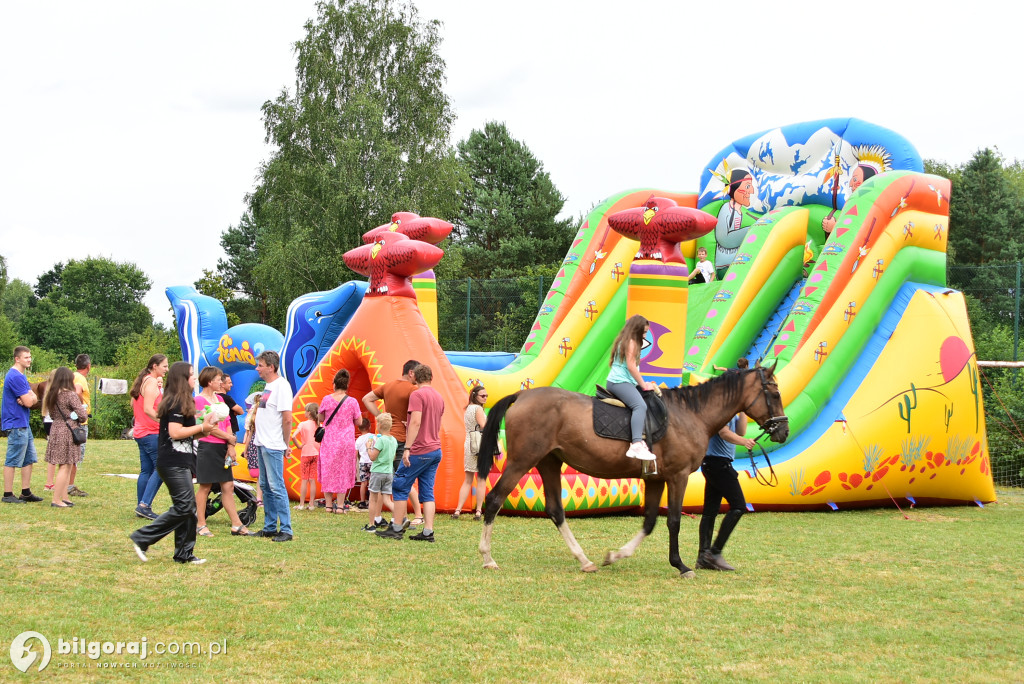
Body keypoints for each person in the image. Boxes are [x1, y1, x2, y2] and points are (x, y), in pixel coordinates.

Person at [129, 361, 218, 564]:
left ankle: (184, 554)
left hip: (182, 460)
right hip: (172, 462)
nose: (195, 378)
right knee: (185, 506)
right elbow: (175, 433)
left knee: (188, 508)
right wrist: (200, 427)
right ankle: (142, 538)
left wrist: (205, 428)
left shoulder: (183, 401)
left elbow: (186, 436)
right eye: (192, 375)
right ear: (182, 379)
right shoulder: (176, 403)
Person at [377, 364, 444, 542]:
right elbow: (434, 422)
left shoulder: (417, 394)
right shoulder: (438, 396)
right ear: (431, 377)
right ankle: (428, 531)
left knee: (399, 484)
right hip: (435, 449)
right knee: (428, 491)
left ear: (415, 377)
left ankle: (397, 527)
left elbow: (415, 422)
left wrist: (407, 448)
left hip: (419, 449)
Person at [362, 359, 424, 524]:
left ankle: (378, 517)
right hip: (402, 439)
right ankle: (416, 514)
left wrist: (381, 417)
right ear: (411, 373)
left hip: (386, 437)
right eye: (417, 374)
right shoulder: (413, 390)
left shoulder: (388, 385)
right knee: (404, 478)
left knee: (382, 480)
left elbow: (366, 399)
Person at [194, 368, 253, 537]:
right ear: (209, 381)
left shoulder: (220, 399)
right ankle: (201, 524)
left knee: (228, 486)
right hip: (208, 447)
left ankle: (236, 524)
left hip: (223, 447)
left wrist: (230, 445)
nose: (221, 382)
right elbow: (205, 427)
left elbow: (227, 421)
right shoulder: (198, 400)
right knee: (205, 487)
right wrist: (229, 437)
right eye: (218, 379)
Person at [696, 411, 756, 571]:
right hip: (719, 465)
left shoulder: (733, 410)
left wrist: (744, 411)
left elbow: (741, 431)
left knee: (710, 512)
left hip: (713, 464)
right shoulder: (723, 409)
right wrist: (744, 442)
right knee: (739, 506)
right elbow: (724, 433)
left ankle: (703, 557)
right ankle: (714, 553)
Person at [253, 350, 294, 542]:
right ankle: (269, 526)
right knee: (265, 486)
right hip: (262, 442)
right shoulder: (268, 386)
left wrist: (285, 444)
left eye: (260, 365)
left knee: (277, 486)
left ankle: (286, 529)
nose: (257, 368)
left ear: (271, 367)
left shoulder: (282, 386)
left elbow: (287, 419)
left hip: (273, 444)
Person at [606, 315, 657, 461]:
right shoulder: (631, 343)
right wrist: (644, 385)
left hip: (621, 381)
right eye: (644, 332)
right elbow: (631, 367)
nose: (645, 335)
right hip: (619, 382)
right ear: (636, 330)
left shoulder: (626, 340)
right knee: (640, 406)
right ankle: (636, 444)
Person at [130, 354, 168, 519]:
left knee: (146, 470)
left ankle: (141, 505)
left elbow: (133, 404)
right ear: (155, 366)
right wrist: (162, 422)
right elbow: (148, 409)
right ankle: (145, 505)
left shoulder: (143, 381)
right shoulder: (151, 382)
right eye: (164, 366)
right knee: (161, 468)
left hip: (141, 431)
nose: (167, 369)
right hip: (151, 432)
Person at [317, 368, 361, 513]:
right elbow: (359, 421)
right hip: (346, 441)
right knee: (343, 470)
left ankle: (329, 505)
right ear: (346, 385)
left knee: (328, 469)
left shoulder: (326, 399)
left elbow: (321, 418)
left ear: (334, 384)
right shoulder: (352, 402)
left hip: (329, 440)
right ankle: (341, 506)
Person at [43, 367, 87, 508]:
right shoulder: (70, 395)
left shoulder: (52, 394)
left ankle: (65, 497)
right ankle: (56, 499)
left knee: (65, 464)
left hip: (56, 428)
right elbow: (82, 415)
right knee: (65, 465)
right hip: (68, 430)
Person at [2, 346, 41, 504]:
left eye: (30, 357)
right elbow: (28, 402)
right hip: (16, 422)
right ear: (17, 359)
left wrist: (31, 397)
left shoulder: (21, 375)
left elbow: (33, 399)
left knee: (28, 458)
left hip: (23, 422)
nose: (29, 359)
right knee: (12, 459)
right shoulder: (15, 376)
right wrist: (30, 398)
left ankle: (25, 492)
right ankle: (7, 494)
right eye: (26, 357)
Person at [453, 384, 490, 521]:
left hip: (469, 444)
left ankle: (458, 510)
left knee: (467, 480)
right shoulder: (478, 409)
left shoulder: (468, 409)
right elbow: (484, 427)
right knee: (481, 479)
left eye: (486, 395)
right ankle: (479, 511)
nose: (485, 398)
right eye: (482, 396)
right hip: (480, 445)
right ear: (475, 396)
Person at [714, 169, 755, 276]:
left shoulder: (738, 212)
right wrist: (750, 230)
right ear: (735, 188)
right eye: (747, 186)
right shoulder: (726, 209)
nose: (752, 191)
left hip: (737, 264)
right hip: (725, 266)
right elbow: (724, 239)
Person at [362, 412, 397, 532]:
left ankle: (371, 525)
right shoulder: (394, 440)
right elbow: (393, 457)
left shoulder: (380, 441)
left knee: (373, 498)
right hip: (389, 472)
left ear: (380, 425)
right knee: (387, 499)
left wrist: (368, 447)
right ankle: (400, 517)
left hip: (378, 472)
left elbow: (372, 457)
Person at [821, 164, 879, 234]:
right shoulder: (852, 202)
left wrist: (833, 227)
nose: (850, 184)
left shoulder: (866, 206)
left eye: (855, 179)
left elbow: (857, 232)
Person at [65, 353, 92, 498]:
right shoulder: (80, 378)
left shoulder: (71, 375)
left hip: (70, 419)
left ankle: (66, 484)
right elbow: (77, 392)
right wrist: (82, 405)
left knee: (70, 455)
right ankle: (69, 485)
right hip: (79, 421)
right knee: (76, 456)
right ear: (88, 366)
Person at [290, 403, 320, 510]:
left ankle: (302, 504)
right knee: (312, 479)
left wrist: (299, 445)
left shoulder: (302, 424)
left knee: (304, 479)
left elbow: (293, 436)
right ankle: (311, 504)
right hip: (315, 453)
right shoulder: (318, 424)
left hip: (306, 453)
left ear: (308, 413)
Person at [239, 393, 262, 507]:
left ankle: (260, 498)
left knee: (260, 475)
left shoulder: (256, 421)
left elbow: (249, 435)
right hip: (257, 446)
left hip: (257, 445)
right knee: (259, 474)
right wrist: (246, 450)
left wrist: (246, 449)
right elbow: (250, 434)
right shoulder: (255, 422)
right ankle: (260, 498)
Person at [218, 373, 244, 437]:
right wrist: (234, 412)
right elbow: (241, 411)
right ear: (222, 384)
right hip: (230, 429)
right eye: (229, 383)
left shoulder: (215, 396)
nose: (231, 385)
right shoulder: (226, 398)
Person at [354, 418, 372, 508]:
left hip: (362, 462)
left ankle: (362, 501)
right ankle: (372, 500)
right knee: (372, 482)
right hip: (372, 462)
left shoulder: (358, 440)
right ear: (370, 426)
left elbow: (355, 454)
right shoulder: (373, 437)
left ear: (358, 429)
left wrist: (354, 466)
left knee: (363, 483)